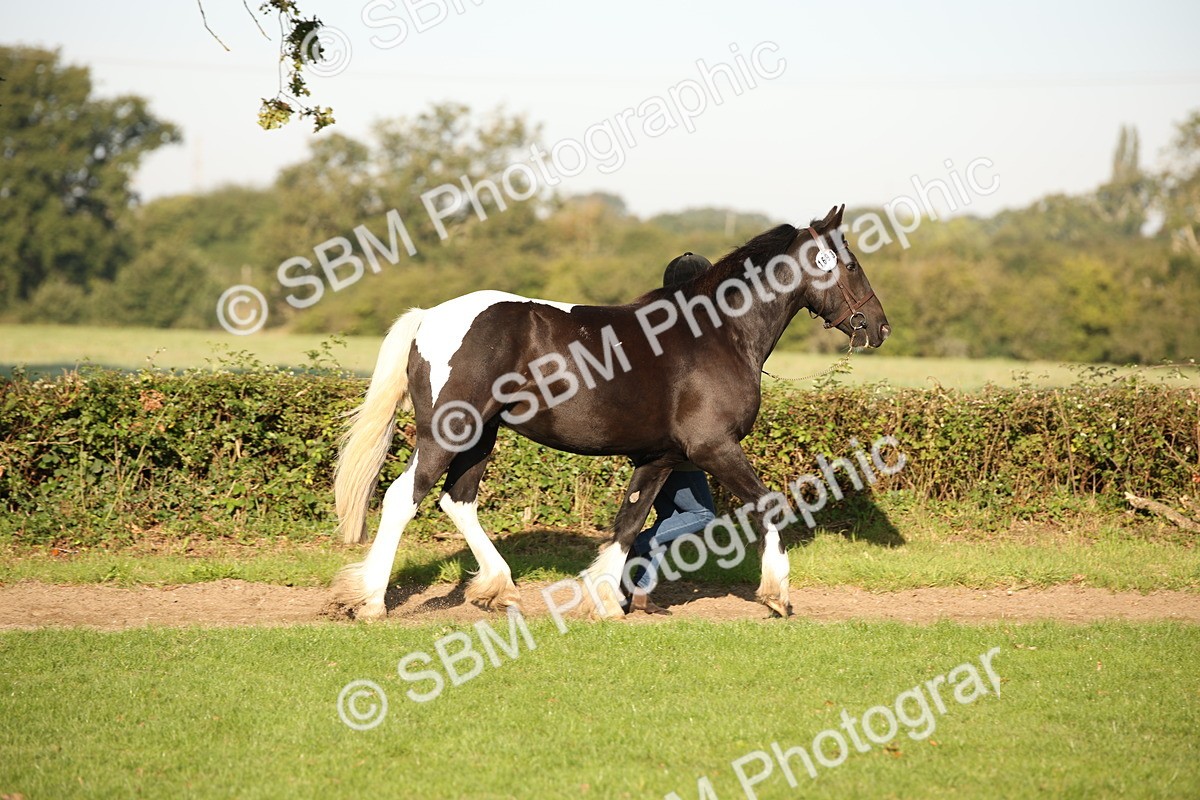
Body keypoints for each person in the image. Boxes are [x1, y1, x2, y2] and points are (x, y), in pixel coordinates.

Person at [624, 252, 719, 615]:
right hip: (678, 443)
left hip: (648, 440)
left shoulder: (654, 326)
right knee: (702, 515)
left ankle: (641, 591)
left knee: (670, 517)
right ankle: (630, 545)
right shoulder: (696, 332)